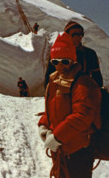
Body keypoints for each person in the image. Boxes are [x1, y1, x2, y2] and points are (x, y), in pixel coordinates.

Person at [38, 32, 101, 178]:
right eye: (55, 62)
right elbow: (52, 110)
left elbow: (82, 116)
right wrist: (44, 124)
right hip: (62, 149)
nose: (60, 66)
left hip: (78, 150)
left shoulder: (83, 83)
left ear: (73, 60)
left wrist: (57, 137)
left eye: (65, 61)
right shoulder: (54, 81)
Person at [44, 21, 103, 88]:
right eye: (74, 34)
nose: (78, 37)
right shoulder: (57, 52)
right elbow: (49, 76)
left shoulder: (89, 53)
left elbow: (97, 77)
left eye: (80, 34)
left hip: (82, 90)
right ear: (67, 35)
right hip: (62, 91)